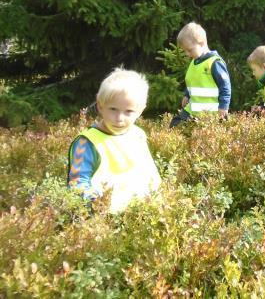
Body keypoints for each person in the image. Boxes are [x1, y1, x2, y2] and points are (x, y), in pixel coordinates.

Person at [67, 68, 161, 213]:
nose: (119, 118)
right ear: (100, 106)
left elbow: (149, 172)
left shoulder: (138, 135)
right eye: (113, 109)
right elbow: (77, 184)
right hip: (101, 218)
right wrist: (98, 206)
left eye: (129, 111)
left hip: (140, 212)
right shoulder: (87, 142)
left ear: (141, 110)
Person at [170, 22, 231, 127]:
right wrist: (187, 95)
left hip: (211, 114)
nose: (187, 54)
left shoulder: (215, 63)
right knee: (175, 126)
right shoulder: (194, 62)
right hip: (192, 110)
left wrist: (224, 107)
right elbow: (194, 82)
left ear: (201, 43)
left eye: (189, 50)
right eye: (185, 51)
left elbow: (225, 86)